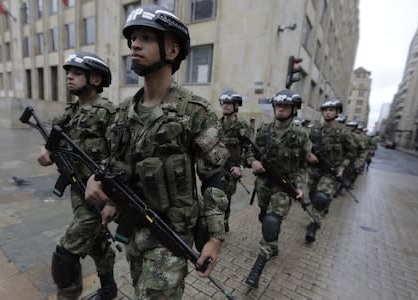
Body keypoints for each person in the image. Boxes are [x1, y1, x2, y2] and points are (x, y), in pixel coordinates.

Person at [84, 5, 229, 299]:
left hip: (171, 237)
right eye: (133, 38)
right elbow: (116, 167)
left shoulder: (194, 112)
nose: (135, 45)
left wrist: (214, 238)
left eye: (147, 38)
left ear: (172, 51)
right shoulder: (123, 112)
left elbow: (215, 176)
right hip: (134, 232)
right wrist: (97, 183)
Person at [37, 52, 117, 300]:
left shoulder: (108, 112)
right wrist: (46, 152)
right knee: (98, 244)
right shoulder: (69, 113)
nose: (69, 77)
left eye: (76, 72)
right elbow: (52, 142)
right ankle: (108, 290)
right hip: (76, 191)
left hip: (98, 193)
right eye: (68, 72)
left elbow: (121, 155)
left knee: (66, 253)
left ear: (95, 78)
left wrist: (112, 199)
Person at [244, 90, 312, 289]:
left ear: (293, 110)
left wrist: (299, 186)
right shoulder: (264, 131)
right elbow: (250, 153)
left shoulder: (300, 134)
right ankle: (272, 245)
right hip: (264, 184)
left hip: (285, 186)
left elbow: (303, 165)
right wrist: (253, 162)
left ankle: (258, 266)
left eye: (286, 106)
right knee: (265, 218)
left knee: (272, 221)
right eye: (278, 106)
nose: (281, 109)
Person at [307, 99, 356, 243]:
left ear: (337, 112)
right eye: (326, 110)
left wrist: (341, 168)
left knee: (321, 198)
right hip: (314, 169)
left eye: (331, 110)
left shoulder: (343, 132)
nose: (328, 113)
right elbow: (305, 144)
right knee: (312, 194)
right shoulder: (314, 129)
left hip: (331, 171)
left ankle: (313, 225)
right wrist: (308, 154)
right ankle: (321, 208)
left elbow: (351, 151)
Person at [218, 90, 251, 232]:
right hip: (216, 166)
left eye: (229, 104)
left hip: (232, 169)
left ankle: (223, 221)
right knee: (214, 196)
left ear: (236, 106)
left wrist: (240, 167)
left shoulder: (241, 126)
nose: (225, 106)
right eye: (224, 103)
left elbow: (249, 149)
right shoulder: (216, 124)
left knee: (226, 198)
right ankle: (216, 223)